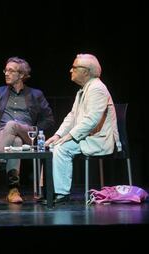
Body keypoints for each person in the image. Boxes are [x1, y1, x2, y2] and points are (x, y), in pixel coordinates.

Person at [44, 53, 120, 204]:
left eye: (74, 67)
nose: (70, 70)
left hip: (98, 139)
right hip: (87, 136)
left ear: (85, 71)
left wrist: (70, 136)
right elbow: (72, 116)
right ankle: (50, 191)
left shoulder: (97, 88)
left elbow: (91, 120)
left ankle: (62, 194)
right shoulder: (85, 89)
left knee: (62, 149)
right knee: (49, 146)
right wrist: (58, 135)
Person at [0, 57, 54, 203]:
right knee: (16, 141)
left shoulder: (35, 94)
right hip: (2, 136)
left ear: (21, 75)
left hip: (28, 133)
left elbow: (49, 119)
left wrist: (35, 131)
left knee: (12, 125)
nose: (6, 73)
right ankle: (13, 190)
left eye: (11, 71)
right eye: (5, 70)